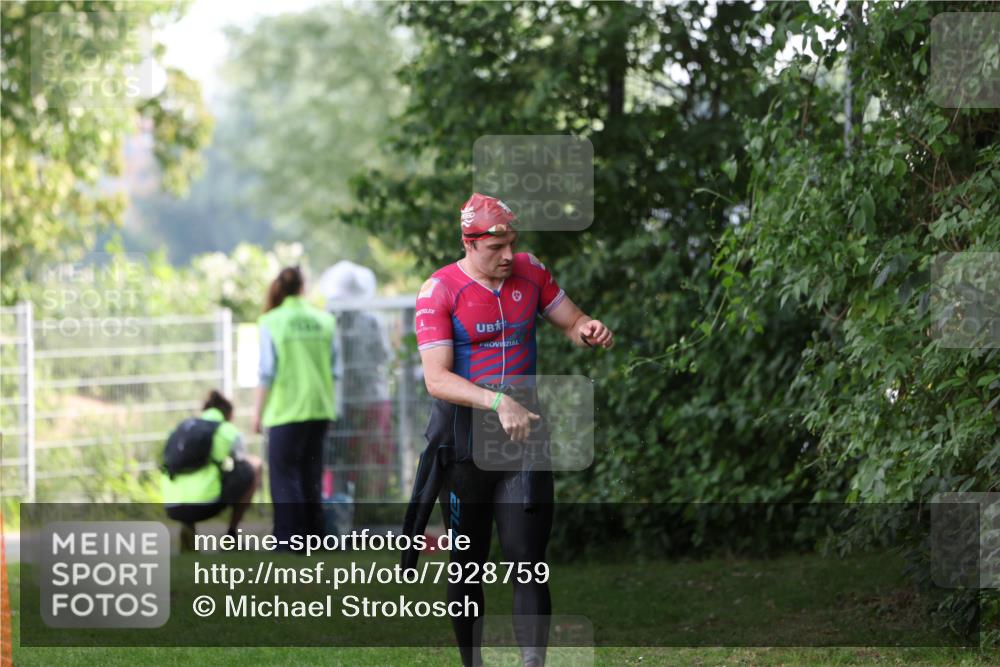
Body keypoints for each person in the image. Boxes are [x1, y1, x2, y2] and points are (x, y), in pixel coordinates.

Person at [402, 193, 614, 667]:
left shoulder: (530, 272)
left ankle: (532, 663)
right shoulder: (438, 290)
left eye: (511, 244)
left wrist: (587, 328)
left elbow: (572, 320)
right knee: (467, 565)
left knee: (528, 558)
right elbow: (437, 378)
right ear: (468, 242)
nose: (506, 256)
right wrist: (497, 401)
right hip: (463, 446)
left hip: (522, 440)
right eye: (495, 247)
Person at [253, 266, 339, 548]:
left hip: (286, 411)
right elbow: (336, 369)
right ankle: (315, 537)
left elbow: (266, 371)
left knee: (284, 475)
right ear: (304, 287)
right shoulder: (325, 320)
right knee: (311, 474)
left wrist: (257, 413)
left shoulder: (272, 321)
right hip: (320, 408)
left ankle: (290, 541)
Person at [162, 390, 262, 550]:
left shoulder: (183, 428)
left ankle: (188, 529)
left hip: (172, 506)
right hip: (207, 504)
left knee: (195, 474)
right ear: (228, 414)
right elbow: (242, 463)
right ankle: (232, 535)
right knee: (254, 466)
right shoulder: (227, 430)